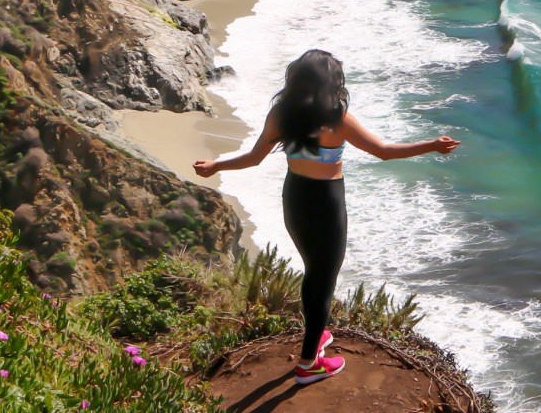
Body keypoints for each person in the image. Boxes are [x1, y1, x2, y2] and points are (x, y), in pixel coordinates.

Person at [194, 48, 460, 386]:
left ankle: (316, 336)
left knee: (314, 272)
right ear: (331, 82)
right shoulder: (336, 117)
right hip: (327, 205)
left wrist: (216, 165)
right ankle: (308, 364)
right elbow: (383, 151)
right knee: (323, 280)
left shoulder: (281, 114)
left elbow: (253, 157)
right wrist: (432, 145)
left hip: (295, 198)